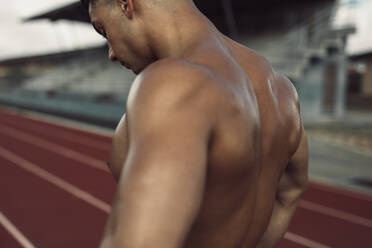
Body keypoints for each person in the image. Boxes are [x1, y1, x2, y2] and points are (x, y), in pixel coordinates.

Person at [81, 0, 309, 247]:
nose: (111, 53)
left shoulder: (174, 85)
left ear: (125, 4)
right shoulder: (282, 91)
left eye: (103, 30)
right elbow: (290, 192)